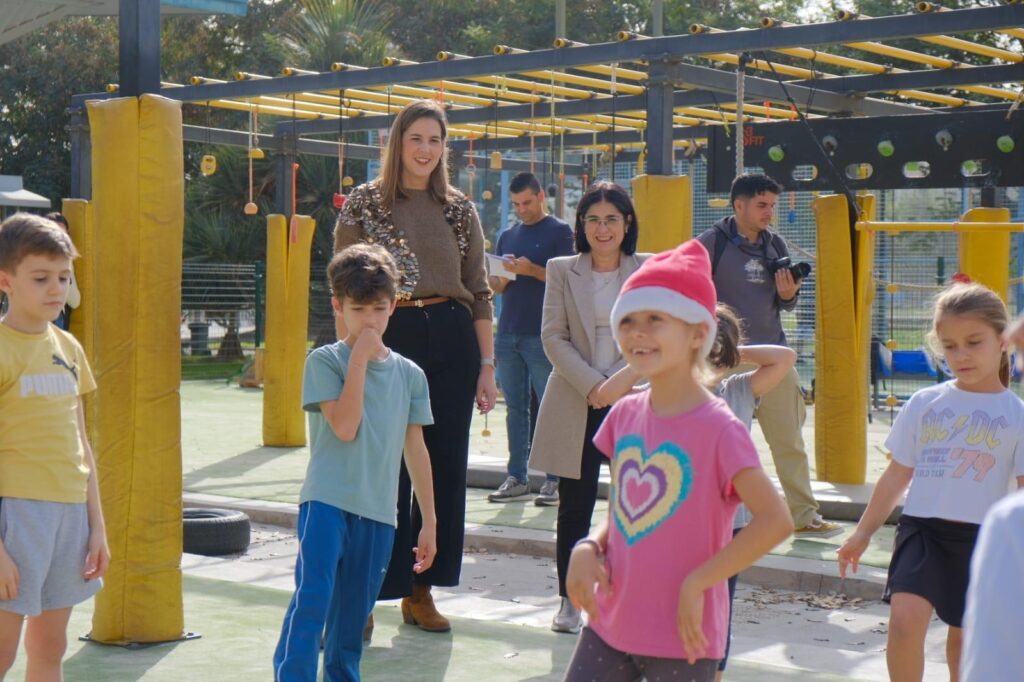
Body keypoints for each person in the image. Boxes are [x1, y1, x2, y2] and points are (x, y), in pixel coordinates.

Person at [564, 240, 793, 681]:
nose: (637, 332)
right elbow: (626, 511)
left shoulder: (719, 429)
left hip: (684, 637)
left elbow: (775, 521)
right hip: (611, 623)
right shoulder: (625, 415)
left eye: (655, 319)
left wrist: (700, 581)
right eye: (627, 320)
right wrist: (590, 545)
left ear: (697, 334)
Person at [333, 99, 496, 634]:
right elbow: (343, 287)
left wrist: (487, 365)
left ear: (445, 148)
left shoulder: (459, 207)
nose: (426, 150)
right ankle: (365, 593)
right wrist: (348, 357)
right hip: (387, 335)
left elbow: (479, 291)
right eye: (416, 138)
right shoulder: (364, 204)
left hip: (453, 337)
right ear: (397, 142)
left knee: (444, 467)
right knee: (381, 469)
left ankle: (422, 590)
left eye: (435, 140)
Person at [837, 281, 1024, 682]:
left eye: (974, 342)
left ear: (1003, 341)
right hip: (921, 532)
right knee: (904, 622)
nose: (961, 355)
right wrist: (862, 534)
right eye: (949, 345)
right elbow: (895, 475)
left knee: (966, 642)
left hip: (983, 540)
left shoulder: (1017, 414)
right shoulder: (924, 404)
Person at [273, 244, 436, 681]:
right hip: (326, 503)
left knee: (352, 621)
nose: (369, 319)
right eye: (358, 308)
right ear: (337, 306)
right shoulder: (325, 360)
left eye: (378, 309)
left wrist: (429, 521)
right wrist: (360, 358)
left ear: (394, 306)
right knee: (313, 601)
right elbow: (345, 426)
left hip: (381, 515)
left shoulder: (410, 375)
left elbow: (415, 449)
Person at [527, 181, 648, 634]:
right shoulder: (561, 269)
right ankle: (569, 600)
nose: (602, 228)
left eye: (611, 219)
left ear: (627, 223)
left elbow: (652, 334)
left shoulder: (647, 268)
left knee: (634, 506)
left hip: (632, 401)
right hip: (577, 400)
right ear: (581, 225)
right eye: (593, 220)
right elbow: (552, 336)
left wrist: (618, 383)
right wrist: (594, 385)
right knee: (573, 509)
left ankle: (629, 598)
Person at [696, 173, 840, 538]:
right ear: (738, 205)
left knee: (788, 439)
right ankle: (715, 515)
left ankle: (804, 516)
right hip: (723, 359)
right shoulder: (709, 244)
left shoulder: (774, 243)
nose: (768, 213)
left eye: (772, 205)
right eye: (762, 205)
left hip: (773, 356)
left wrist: (789, 293)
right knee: (719, 442)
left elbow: (785, 306)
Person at [0, 213, 109, 678]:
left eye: (64, 277)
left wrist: (96, 526)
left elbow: (81, 441)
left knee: (50, 646)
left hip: (70, 514)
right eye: (41, 277)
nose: (56, 289)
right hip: (17, 514)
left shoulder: (69, 346)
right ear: (5, 280)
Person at [707, 304, 796, 681]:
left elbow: (785, 358)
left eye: (716, 357)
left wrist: (728, 347)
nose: (708, 366)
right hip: (681, 519)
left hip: (732, 522)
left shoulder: (738, 389)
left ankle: (714, 673)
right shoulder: (659, 392)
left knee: (719, 606)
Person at [487, 172, 574, 505]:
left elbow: (566, 278)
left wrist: (532, 270)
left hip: (544, 335)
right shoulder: (507, 235)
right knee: (515, 410)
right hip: (508, 333)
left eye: (527, 202)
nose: (522, 210)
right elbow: (495, 286)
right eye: (516, 204)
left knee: (549, 408)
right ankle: (517, 477)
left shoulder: (561, 232)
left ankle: (554, 480)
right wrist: (505, 278)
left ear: (541, 197)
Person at [43, 213, 81, 332]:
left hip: (57, 319)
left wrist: (65, 274)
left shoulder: (66, 260)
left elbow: (75, 302)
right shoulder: (32, 257)